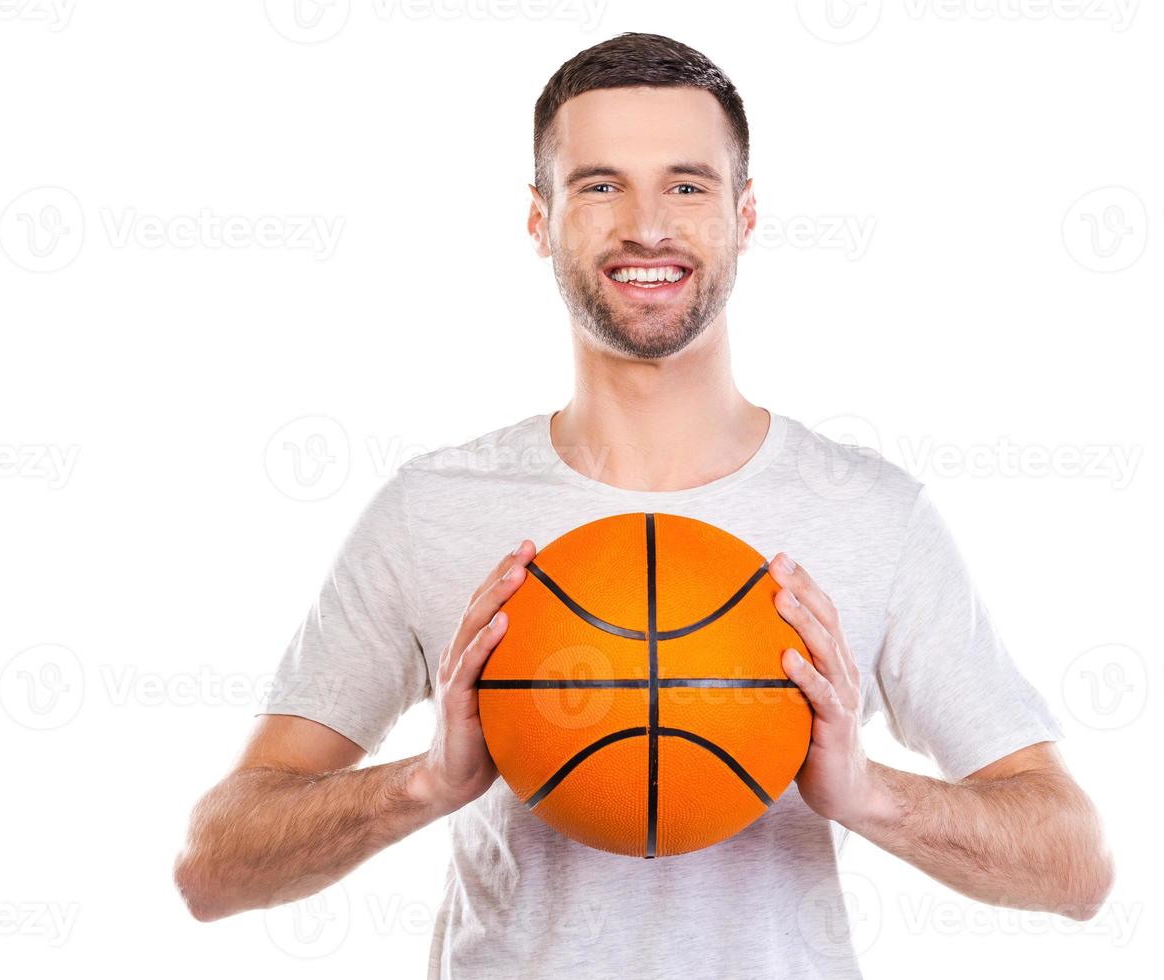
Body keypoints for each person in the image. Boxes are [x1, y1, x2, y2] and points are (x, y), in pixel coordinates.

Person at [173, 31, 1113, 979]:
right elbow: (211, 871)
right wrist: (423, 783)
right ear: (539, 220)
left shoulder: (873, 512)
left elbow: (1076, 866)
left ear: (745, 216)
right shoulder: (432, 508)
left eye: (687, 184)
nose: (647, 225)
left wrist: (866, 795)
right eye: (599, 184)